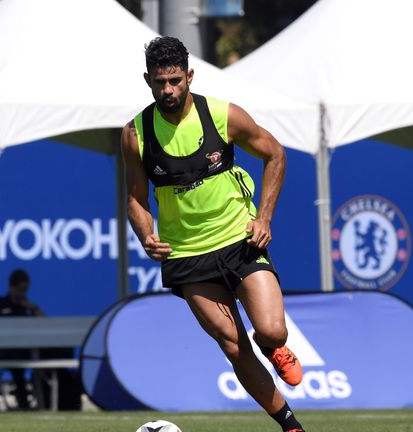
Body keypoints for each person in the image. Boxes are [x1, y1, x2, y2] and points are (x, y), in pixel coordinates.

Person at [121, 36, 305, 432]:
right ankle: (291, 426)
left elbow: (275, 154)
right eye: (158, 83)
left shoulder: (223, 115)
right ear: (147, 81)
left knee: (271, 330)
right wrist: (145, 234)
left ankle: (274, 348)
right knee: (234, 345)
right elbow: (135, 198)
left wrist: (265, 219)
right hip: (187, 256)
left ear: (189, 76)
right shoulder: (135, 134)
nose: (167, 90)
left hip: (240, 240)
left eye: (174, 80)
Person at [0, 269, 45, 410]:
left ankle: (41, 400)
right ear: (11, 287)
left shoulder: (27, 307)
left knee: (44, 362)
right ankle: (23, 403)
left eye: (26, 290)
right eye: (21, 289)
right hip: (6, 352)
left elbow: (46, 324)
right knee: (17, 368)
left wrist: (34, 308)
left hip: (27, 352)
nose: (23, 294)